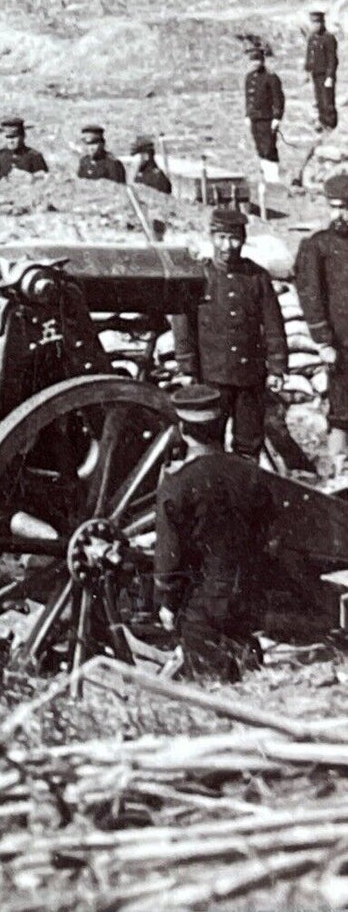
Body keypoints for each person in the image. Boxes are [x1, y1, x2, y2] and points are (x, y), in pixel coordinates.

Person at [154, 384, 271, 682]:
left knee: (209, 678)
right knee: (245, 666)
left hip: (204, 603)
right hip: (249, 594)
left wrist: (166, 602)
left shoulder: (178, 484)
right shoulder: (252, 473)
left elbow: (169, 556)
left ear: (183, 430)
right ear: (223, 425)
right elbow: (266, 535)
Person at [171, 206, 286, 461]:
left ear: (243, 239)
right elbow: (183, 326)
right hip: (212, 378)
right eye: (221, 237)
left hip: (250, 379)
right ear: (211, 237)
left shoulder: (257, 277)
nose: (228, 245)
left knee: (248, 446)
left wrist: (277, 368)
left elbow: (274, 325)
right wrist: (187, 368)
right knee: (208, 444)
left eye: (234, 238)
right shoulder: (200, 276)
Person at [294, 174, 348, 467]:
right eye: (335, 207)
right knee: (342, 409)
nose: (340, 215)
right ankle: (338, 468)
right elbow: (310, 295)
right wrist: (324, 341)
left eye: (346, 208)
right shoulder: (318, 246)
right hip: (340, 344)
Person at [244, 45, 284, 181]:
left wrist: (277, 117)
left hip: (267, 118)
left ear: (262, 61)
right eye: (252, 60)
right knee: (259, 148)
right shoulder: (249, 78)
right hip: (254, 118)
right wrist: (247, 115)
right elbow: (248, 98)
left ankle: (273, 178)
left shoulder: (271, 78)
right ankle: (266, 177)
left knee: (269, 148)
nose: (255, 63)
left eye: (257, 60)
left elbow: (278, 98)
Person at [0, 117, 47, 183]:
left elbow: (43, 183)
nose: (11, 141)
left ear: (23, 136)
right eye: (8, 137)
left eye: (14, 137)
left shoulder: (34, 156)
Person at [306, 10, 338, 132]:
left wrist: (330, 76)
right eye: (313, 23)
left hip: (325, 74)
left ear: (323, 23)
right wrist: (307, 70)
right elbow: (309, 56)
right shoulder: (312, 38)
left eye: (317, 22)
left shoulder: (329, 38)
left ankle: (331, 124)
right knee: (319, 99)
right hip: (316, 74)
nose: (315, 25)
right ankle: (322, 121)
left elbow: (332, 59)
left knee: (327, 100)